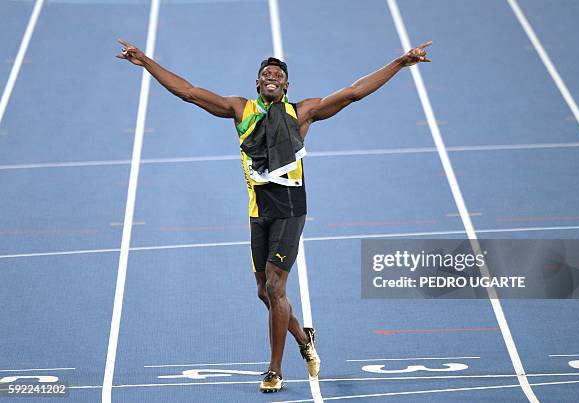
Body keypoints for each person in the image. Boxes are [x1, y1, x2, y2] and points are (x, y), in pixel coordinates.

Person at [116, 39, 432, 393]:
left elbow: (354, 92)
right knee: (264, 294)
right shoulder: (241, 109)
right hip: (258, 211)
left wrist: (400, 63)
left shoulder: (302, 113)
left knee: (276, 286)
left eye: (277, 74)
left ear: (285, 86)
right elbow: (189, 92)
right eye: (265, 73)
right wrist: (146, 61)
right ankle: (304, 337)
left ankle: (274, 370)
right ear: (257, 83)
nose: (271, 76)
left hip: (289, 209)